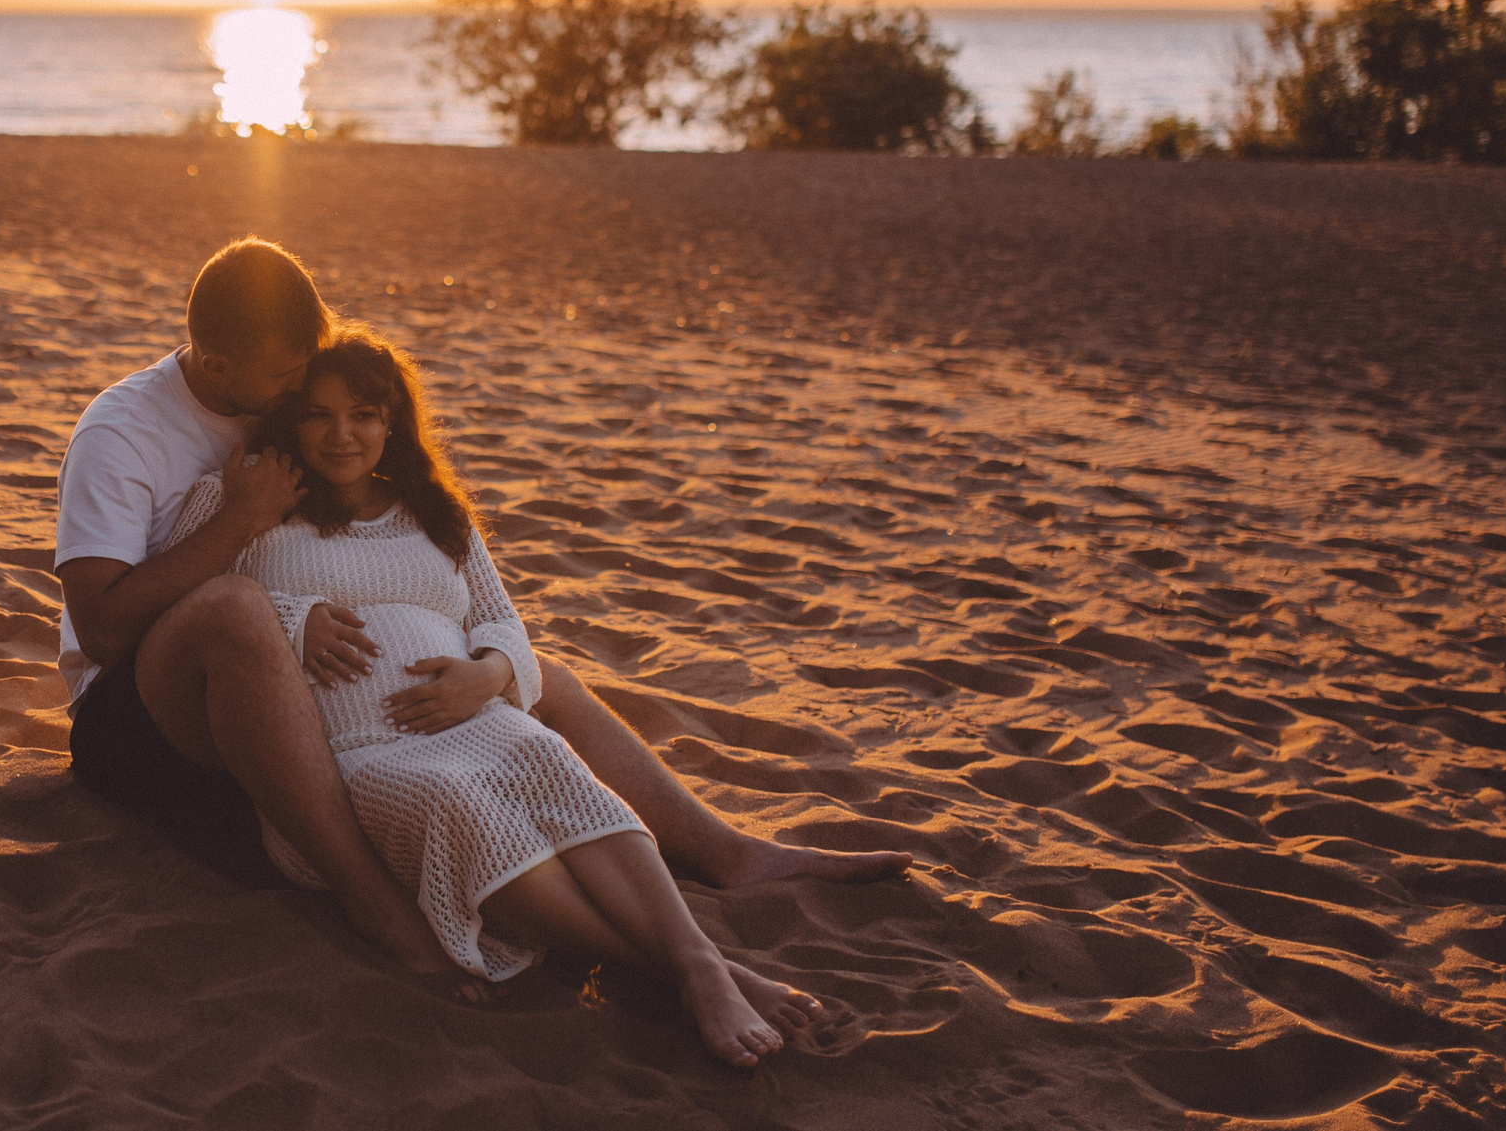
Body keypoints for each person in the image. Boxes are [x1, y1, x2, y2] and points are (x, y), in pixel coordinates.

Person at [52, 239, 908, 987]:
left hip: (265, 693)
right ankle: (378, 906)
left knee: (542, 679)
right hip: (137, 720)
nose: (301, 387)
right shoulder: (123, 433)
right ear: (214, 358)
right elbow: (103, 628)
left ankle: (725, 851)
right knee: (239, 609)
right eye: (287, 376)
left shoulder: (273, 404)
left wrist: (482, 669)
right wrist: (246, 526)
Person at [180, 325, 830, 1066]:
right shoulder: (250, 499)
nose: (341, 433)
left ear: (392, 423)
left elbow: (502, 622)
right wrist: (295, 621)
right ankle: (694, 966)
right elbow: (195, 604)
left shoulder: (437, 513)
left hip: (475, 720)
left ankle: (697, 959)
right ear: (291, 417)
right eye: (319, 413)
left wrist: (488, 675)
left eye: (362, 413)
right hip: (355, 755)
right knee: (455, 801)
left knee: (549, 758)